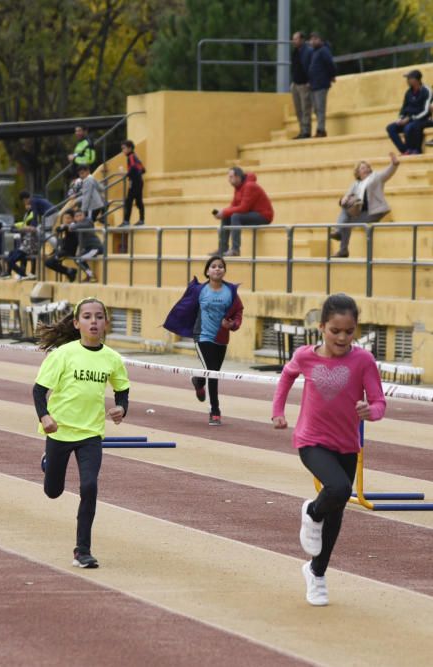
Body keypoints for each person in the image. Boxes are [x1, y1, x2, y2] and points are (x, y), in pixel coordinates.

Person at [272, 293, 386, 607]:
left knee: (337, 510)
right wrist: (277, 411)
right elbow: (286, 376)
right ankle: (311, 511)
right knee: (338, 488)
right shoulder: (306, 356)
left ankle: (316, 572)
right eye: (335, 330)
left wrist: (370, 412)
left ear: (356, 330)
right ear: (322, 327)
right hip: (311, 440)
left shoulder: (362, 361)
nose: (342, 337)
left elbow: (378, 402)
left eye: (349, 332)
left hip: (346, 444)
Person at [34, 298, 130, 569]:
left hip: (91, 433)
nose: (94, 322)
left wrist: (121, 408)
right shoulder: (63, 354)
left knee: (89, 487)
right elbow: (39, 391)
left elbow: (122, 389)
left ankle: (82, 550)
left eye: (99, 317)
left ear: (106, 322)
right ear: (76, 324)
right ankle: (47, 462)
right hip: (60, 431)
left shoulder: (112, 358)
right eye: (87, 317)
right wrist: (45, 416)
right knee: (53, 492)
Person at [162, 255, 244, 426]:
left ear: (224, 270)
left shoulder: (230, 291)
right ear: (207, 271)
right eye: (213, 266)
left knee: (213, 371)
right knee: (213, 373)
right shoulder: (199, 290)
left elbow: (238, 312)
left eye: (220, 266)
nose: (217, 269)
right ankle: (215, 411)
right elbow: (185, 307)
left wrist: (233, 325)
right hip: (202, 336)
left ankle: (198, 380)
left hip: (221, 337)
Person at [331, 153, 399, 258]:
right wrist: (343, 200)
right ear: (358, 172)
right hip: (361, 212)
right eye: (363, 168)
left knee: (347, 224)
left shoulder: (375, 177)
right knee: (345, 210)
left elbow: (387, 174)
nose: (366, 169)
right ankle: (340, 237)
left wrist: (394, 164)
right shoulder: (355, 184)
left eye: (367, 167)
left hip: (375, 212)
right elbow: (346, 198)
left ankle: (341, 242)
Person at [213, 167, 274, 257]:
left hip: (264, 215)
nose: (229, 180)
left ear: (238, 177)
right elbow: (233, 206)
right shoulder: (238, 188)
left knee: (235, 216)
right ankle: (222, 249)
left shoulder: (250, 186)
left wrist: (225, 211)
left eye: (231, 177)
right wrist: (222, 213)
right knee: (227, 216)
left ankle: (235, 250)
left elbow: (243, 208)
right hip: (251, 214)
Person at [386, 70, 431, 155]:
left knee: (409, 127)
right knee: (390, 128)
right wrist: (400, 118)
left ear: (416, 80)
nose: (407, 81)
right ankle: (405, 150)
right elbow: (404, 108)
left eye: (409, 78)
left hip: (422, 118)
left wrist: (409, 119)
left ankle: (416, 150)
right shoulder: (408, 92)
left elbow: (426, 111)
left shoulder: (427, 91)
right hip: (407, 119)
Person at [308, 32, 336, 138]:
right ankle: (320, 129)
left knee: (320, 108)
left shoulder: (323, 50)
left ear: (321, 40)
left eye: (315, 39)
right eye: (311, 39)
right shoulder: (314, 52)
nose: (313, 41)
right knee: (316, 108)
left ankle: (321, 130)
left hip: (321, 83)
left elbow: (330, 64)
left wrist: (332, 76)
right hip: (314, 84)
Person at [6, 198, 41, 279]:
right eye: (26, 205)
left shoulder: (34, 215)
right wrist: (16, 225)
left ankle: (23, 273)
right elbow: (24, 224)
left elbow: (28, 227)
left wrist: (18, 229)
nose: (27, 206)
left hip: (29, 247)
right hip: (24, 245)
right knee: (10, 256)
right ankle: (17, 273)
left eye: (29, 205)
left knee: (11, 260)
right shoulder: (27, 214)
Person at [69, 208, 104, 281]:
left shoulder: (88, 221)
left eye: (80, 215)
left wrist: (72, 225)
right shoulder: (77, 224)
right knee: (77, 258)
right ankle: (89, 275)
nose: (79, 217)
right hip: (88, 249)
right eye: (77, 216)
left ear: (84, 215)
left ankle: (91, 276)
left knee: (79, 259)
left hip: (95, 248)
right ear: (74, 218)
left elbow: (81, 225)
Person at [291, 32, 314, 139]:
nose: (294, 41)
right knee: (298, 109)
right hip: (295, 84)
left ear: (302, 40)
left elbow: (312, 67)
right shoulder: (295, 52)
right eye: (293, 39)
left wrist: (310, 80)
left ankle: (306, 131)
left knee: (306, 109)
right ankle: (301, 130)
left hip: (304, 84)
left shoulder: (308, 51)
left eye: (296, 39)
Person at [45, 211, 78, 282]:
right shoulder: (67, 226)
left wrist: (64, 226)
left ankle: (70, 271)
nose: (66, 220)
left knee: (49, 262)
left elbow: (61, 229)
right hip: (63, 250)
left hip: (68, 251)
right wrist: (63, 226)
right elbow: (58, 229)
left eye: (68, 218)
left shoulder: (73, 225)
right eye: (65, 218)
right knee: (48, 262)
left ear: (73, 219)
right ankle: (69, 271)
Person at [120, 141, 145, 226]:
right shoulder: (135, 156)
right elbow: (143, 169)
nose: (123, 150)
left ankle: (126, 221)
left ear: (130, 148)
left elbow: (134, 168)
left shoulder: (131, 157)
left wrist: (126, 174)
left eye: (124, 148)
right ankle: (141, 220)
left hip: (135, 182)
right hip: (139, 181)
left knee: (129, 201)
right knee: (138, 201)